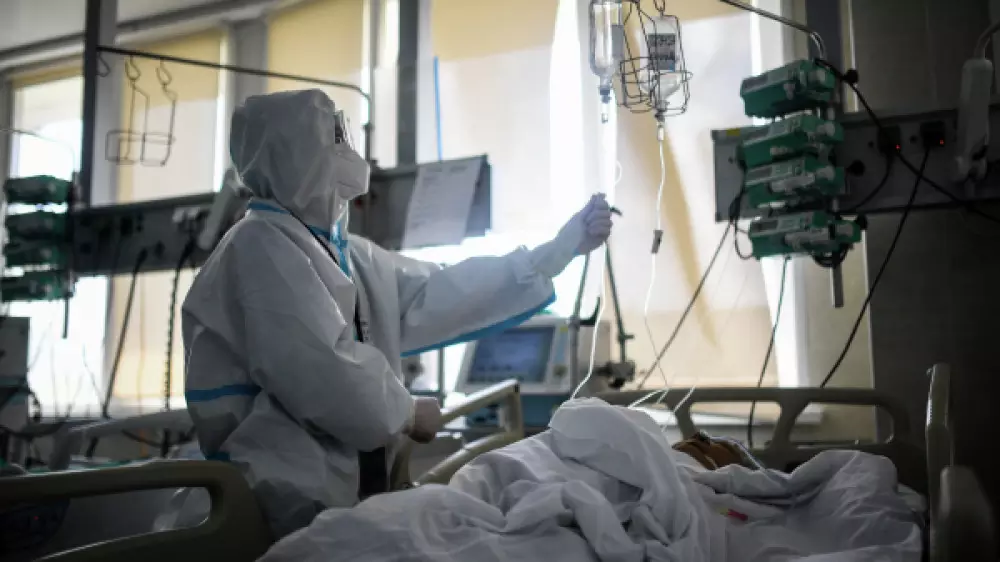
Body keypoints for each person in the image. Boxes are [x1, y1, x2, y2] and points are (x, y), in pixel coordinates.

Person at [181, 89, 614, 538]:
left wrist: (556, 252)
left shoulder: (343, 253)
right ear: (293, 151)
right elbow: (320, 369)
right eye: (334, 137)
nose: (347, 151)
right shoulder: (260, 246)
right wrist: (405, 412)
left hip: (337, 497)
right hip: (275, 499)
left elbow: (439, 290)